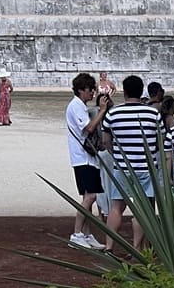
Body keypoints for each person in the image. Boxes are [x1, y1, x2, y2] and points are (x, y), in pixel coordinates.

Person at [104, 73, 161, 252]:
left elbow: (106, 139)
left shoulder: (113, 113)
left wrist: (116, 154)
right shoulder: (153, 113)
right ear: (141, 91)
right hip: (145, 167)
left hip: (122, 166)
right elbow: (160, 140)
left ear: (125, 92)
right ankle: (138, 248)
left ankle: (109, 246)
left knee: (116, 208)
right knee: (143, 210)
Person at [66, 72, 107, 250]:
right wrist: (103, 111)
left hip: (85, 158)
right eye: (91, 91)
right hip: (83, 158)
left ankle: (86, 234)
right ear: (82, 90)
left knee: (87, 196)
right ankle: (76, 233)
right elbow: (89, 128)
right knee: (90, 196)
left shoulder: (79, 106)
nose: (93, 94)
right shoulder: (76, 106)